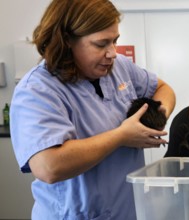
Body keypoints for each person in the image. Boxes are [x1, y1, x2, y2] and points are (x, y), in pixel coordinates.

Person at [10, 0, 176, 219]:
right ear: (67, 40)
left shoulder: (121, 68)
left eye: (115, 41)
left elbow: (163, 89)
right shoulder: (37, 90)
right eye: (101, 44)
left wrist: (156, 116)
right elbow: (48, 166)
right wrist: (121, 136)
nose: (112, 53)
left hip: (126, 211)